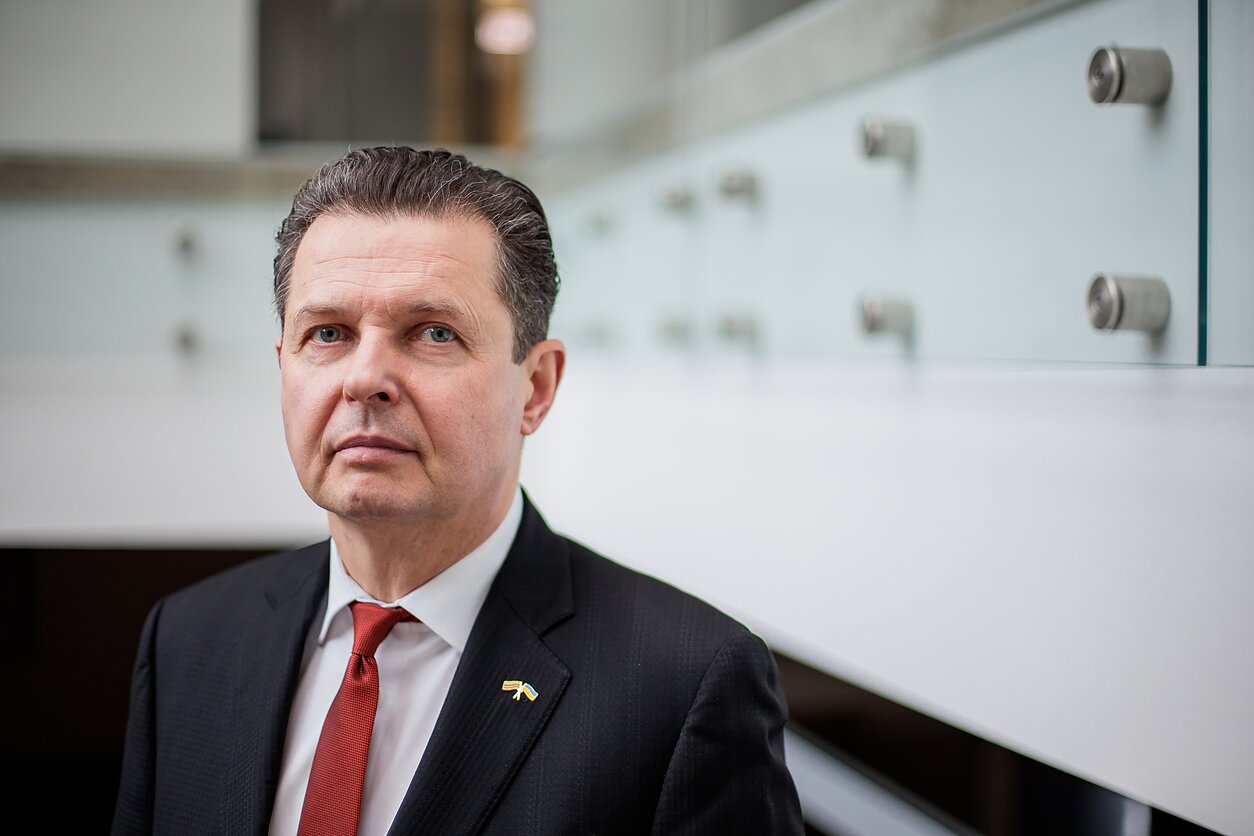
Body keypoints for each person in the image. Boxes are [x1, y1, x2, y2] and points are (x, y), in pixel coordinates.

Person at [112, 147, 803, 835]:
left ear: (535, 387)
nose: (364, 379)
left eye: (433, 334)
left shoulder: (685, 686)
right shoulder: (189, 641)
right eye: (328, 333)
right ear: (284, 367)